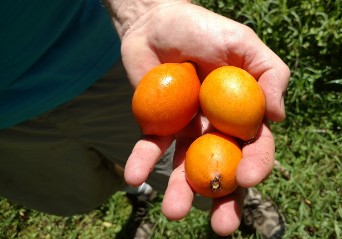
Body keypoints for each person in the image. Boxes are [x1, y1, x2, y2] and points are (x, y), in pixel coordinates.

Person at [0, 0, 290, 238]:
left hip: (94, 53)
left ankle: (242, 196)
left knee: (166, 159)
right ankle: (138, 193)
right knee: (77, 196)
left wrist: (144, 9)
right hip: (9, 124)